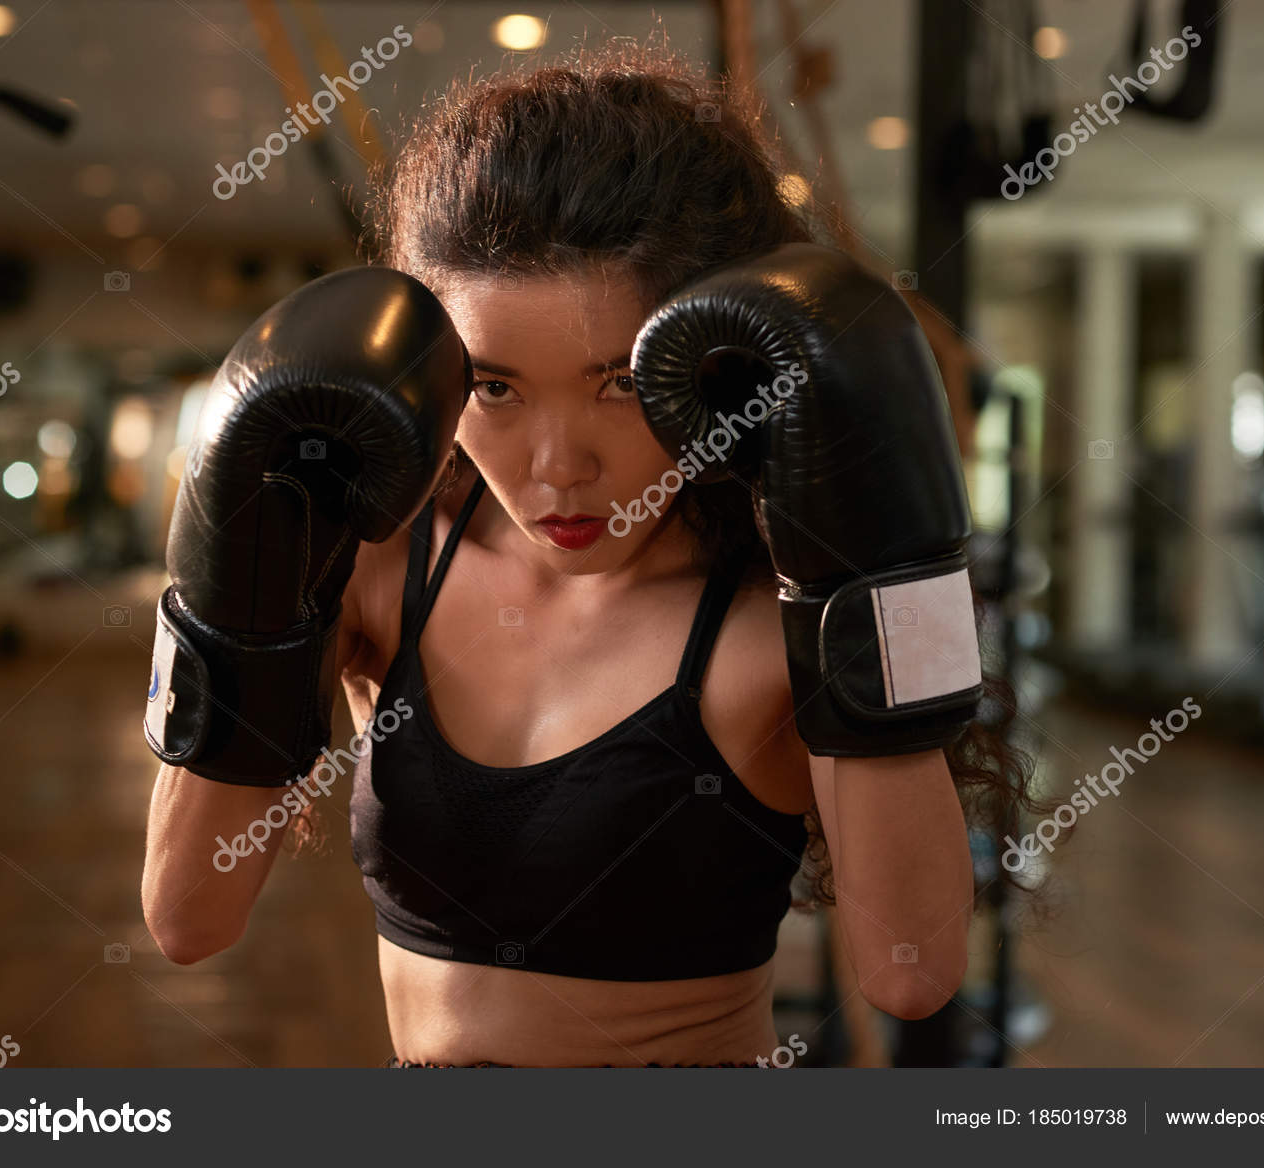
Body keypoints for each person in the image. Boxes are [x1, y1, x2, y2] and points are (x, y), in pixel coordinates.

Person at [140, 41, 1038, 1068]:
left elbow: (910, 972)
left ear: (708, 362)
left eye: (618, 381)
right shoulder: (384, 572)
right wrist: (234, 590)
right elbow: (186, 916)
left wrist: (871, 581)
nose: (558, 468)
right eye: (496, 389)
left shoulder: (763, 617)